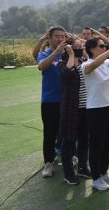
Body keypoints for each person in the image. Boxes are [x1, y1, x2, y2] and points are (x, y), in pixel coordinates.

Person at [82, 38, 109, 191]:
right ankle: (96, 178)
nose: (105, 47)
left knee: (108, 143)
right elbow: (93, 66)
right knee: (96, 145)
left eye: (105, 46)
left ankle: (104, 172)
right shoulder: (85, 65)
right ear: (92, 49)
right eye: (101, 46)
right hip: (95, 109)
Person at [57, 37, 91, 185]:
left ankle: (83, 166)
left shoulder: (83, 63)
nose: (80, 49)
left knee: (84, 140)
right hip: (71, 109)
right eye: (77, 47)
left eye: (81, 47)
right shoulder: (62, 63)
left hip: (86, 108)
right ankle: (68, 173)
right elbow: (67, 74)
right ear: (68, 48)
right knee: (69, 142)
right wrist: (71, 55)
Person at [37, 26, 67, 177]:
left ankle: (70, 157)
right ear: (49, 37)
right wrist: (56, 52)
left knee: (67, 130)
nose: (60, 39)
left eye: (63, 36)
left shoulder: (69, 53)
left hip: (67, 99)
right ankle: (48, 162)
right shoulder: (45, 53)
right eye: (57, 36)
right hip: (50, 100)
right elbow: (42, 66)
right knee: (50, 132)